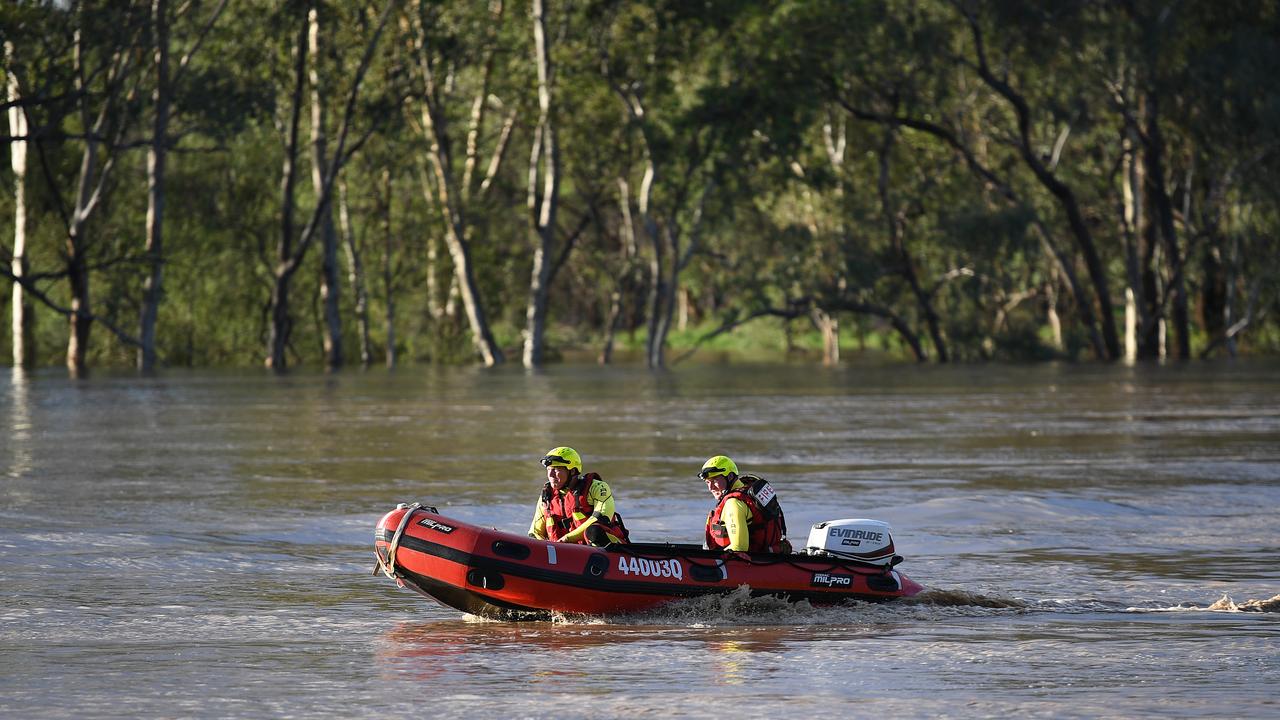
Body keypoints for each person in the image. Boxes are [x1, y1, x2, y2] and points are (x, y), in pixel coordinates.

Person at [528, 446, 630, 546]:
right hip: (563, 551)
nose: (551, 475)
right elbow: (535, 533)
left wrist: (568, 538)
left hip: (606, 548)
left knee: (594, 531)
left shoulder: (596, 487)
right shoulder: (546, 497)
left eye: (557, 469)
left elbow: (602, 517)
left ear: (572, 471)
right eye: (549, 469)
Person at [699, 455, 790, 555]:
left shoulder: (733, 503)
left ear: (730, 477)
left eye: (715, 480)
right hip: (770, 556)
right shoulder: (748, 491)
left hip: (751, 562)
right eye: (707, 482)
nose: (710, 487)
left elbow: (739, 548)